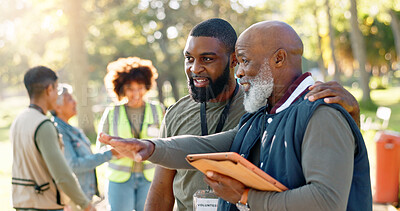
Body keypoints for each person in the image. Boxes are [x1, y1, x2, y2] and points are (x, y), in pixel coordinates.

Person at [99, 20, 372, 211]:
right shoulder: (264, 115)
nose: (238, 71)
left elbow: (326, 201)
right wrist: (148, 147)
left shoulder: (320, 112)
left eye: (244, 61)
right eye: (238, 62)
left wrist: (244, 197)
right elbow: (207, 146)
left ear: (278, 59)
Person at [10, 66, 95, 211]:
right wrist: (85, 204)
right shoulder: (43, 125)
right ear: (49, 89)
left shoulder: (19, 120)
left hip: (22, 202)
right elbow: (62, 174)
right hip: (45, 204)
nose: (57, 95)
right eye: (56, 89)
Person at [96, 57, 164, 211]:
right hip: (120, 180)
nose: (136, 93)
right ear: (121, 89)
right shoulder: (112, 112)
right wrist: (114, 152)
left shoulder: (158, 110)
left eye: (140, 87)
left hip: (150, 179)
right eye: (130, 88)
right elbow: (100, 147)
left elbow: (167, 142)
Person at [50, 83, 121, 210]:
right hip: (74, 200)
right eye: (70, 99)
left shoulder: (72, 129)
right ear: (58, 107)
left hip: (85, 195)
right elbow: (74, 165)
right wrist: (109, 154)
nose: (75, 102)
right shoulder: (59, 131)